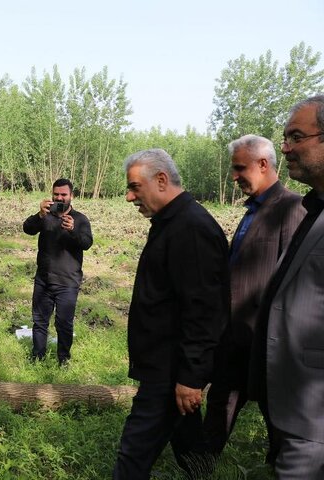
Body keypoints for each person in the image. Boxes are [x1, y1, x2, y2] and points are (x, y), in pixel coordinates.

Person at [113, 149, 229, 479]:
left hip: (170, 370)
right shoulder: (170, 222)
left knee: (133, 453)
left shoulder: (190, 228)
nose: (128, 196)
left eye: (135, 187)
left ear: (161, 180)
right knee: (190, 445)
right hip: (167, 365)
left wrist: (190, 378)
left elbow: (204, 309)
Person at [203, 135, 304, 463]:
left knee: (277, 419)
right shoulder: (253, 211)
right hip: (233, 338)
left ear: (263, 164)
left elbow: (295, 282)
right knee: (220, 405)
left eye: (239, 168)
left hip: (266, 343)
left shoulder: (291, 208)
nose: (233, 176)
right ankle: (199, 467)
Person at [249, 94, 324, 478]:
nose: (285, 148)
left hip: (314, 419)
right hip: (288, 407)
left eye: (296, 137)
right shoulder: (312, 210)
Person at [23, 178, 93, 366]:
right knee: (39, 321)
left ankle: (63, 359)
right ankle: (37, 357)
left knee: (64, 324)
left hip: (68, 282)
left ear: (72, 196)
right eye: (56, 194)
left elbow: (87, 243)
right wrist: (39, 215)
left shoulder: (80, 219)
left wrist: (73, 230)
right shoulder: (46, 215)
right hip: (43, 279)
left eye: (64, 194)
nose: (60, 198)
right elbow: (27, 228)